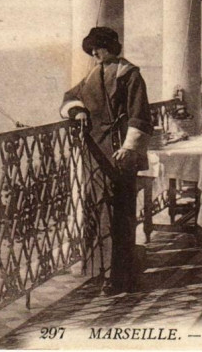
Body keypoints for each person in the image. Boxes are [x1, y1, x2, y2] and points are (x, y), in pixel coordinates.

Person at [60, 26, 152, 295]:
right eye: (92, 48)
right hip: (95, 153)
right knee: (98, 208)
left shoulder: (130, 75)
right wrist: (76, 111)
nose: (94, 52)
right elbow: (70, 97)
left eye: (98, 47)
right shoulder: (92, 75)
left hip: (120, 153)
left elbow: (140, 115)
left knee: (120, 212)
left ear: (110, 47)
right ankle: (99, 271)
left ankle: (119, 274)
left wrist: (129, 146)